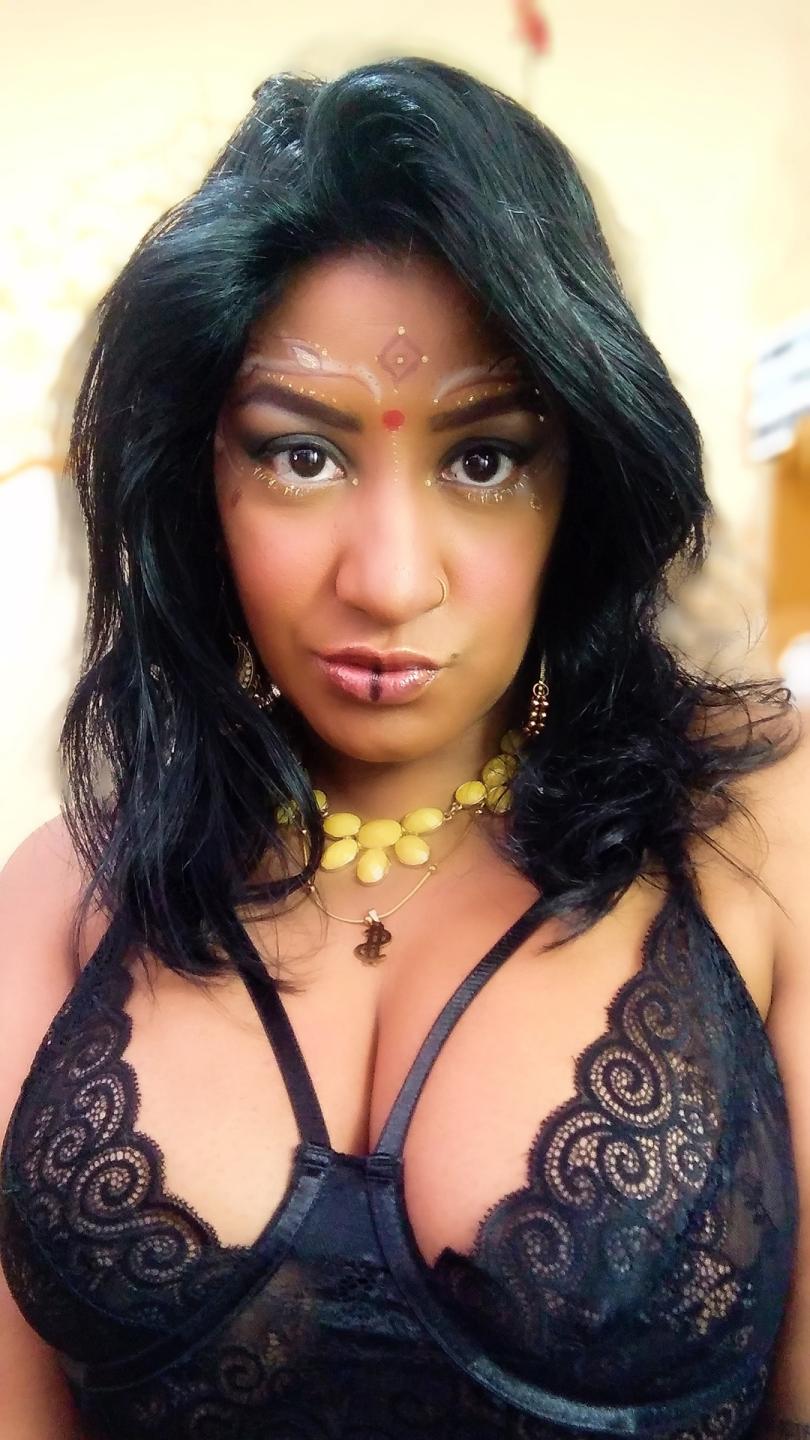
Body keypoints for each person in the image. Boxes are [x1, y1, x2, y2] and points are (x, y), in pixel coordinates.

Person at [0, 54, 808, 1440]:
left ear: (581, 478)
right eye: (299, 456)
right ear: (197, 477)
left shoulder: (755, 829)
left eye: (482, 459)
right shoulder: (60, 900)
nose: (386, 580)